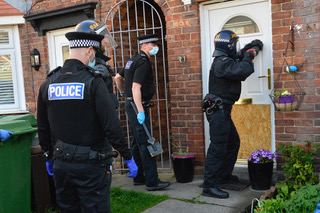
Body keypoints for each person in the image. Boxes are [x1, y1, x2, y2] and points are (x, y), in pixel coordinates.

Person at [37, 20, 138, 213]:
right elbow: (110, 125)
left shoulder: (48, 83)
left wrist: (48, 155)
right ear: (89, 50)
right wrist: (127, 156)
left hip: (61, 165)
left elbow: (42, 125)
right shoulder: (93, 82)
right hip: (91, 166)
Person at [202, 30, 263, 199]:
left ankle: (223, 175)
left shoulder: (227, 60)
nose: (236, 47)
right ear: (227, 45)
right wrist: (250, 55)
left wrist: (253, 47)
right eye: (234, 44)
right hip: (218, 111)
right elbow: (243, 69)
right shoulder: (222, 62)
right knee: (217, 148)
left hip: (223, 110)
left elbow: (241, 56)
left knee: (232, 143)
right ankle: (209, 185)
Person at [114, 34, 170, 191]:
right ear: (145, 46)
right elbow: (136, 87)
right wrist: (140, 110)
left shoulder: (132, 60)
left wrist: (123, 94)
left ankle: (138, 177)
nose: (155, 47)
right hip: (137, 106)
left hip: (131, 103)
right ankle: (152, 181)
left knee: (137, 143)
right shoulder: (143, 62)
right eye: (153, 44)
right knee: (146, 142)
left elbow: (118, 77)